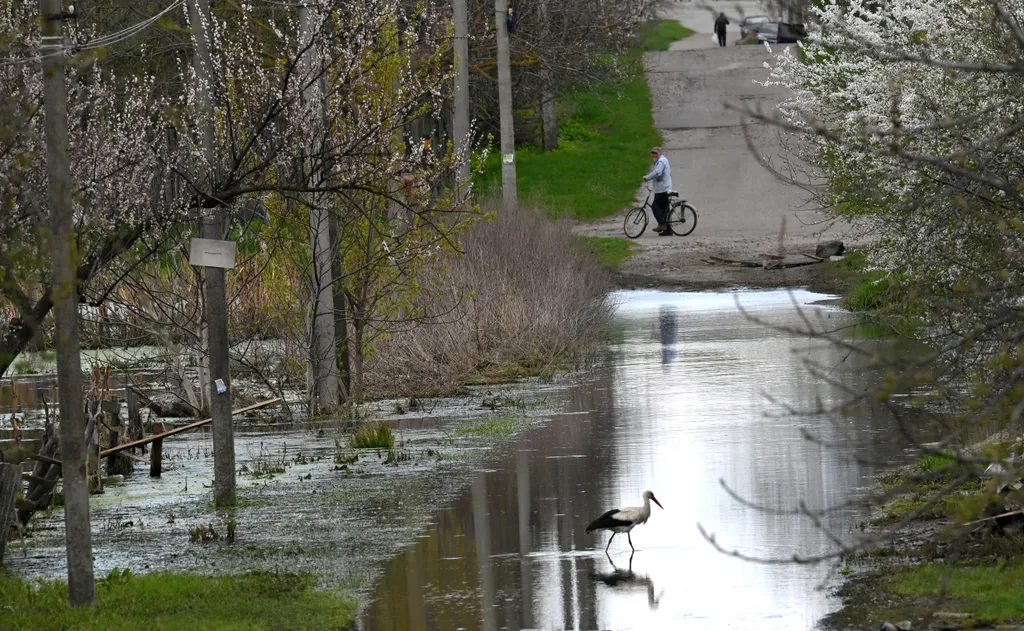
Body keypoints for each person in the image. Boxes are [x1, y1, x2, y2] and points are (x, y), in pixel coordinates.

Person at [642, 147, 673, 236]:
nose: (654, 155)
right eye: (653, 153)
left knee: (655, 207)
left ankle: (662, 224)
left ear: (660, 153)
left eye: (656, 153)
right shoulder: (661, 160)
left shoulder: (661, 161)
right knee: (665, 210)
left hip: (662, 189)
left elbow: (657, 172)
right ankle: (668, 230)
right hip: (665, 187)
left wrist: (646, 177)